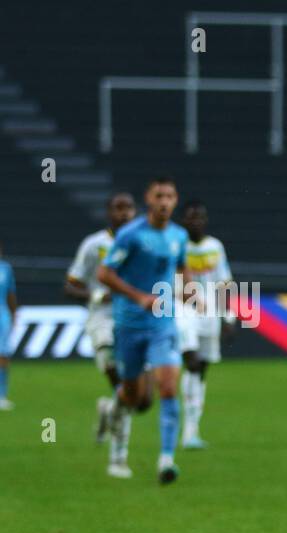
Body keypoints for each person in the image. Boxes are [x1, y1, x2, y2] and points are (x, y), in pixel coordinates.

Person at [97, 175, 191, 482]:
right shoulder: (130, 235)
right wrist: (138, 297)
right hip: (130, 325)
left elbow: (179, 266)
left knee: (167, 385)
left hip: (163, 322)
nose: (164, 202)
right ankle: (115, 423)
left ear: (175, 201)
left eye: (170, 196)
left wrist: (189, 290)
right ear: (148, 200)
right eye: (159, 196)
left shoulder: (178, 235)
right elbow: (104, 274)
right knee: (135, 397)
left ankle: (166, 460)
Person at [67, 192, 137, 440]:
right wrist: (97, 296)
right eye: (118, 208)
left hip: (134, 317)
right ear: (109, 213)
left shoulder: (143, 242)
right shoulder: (94, 245)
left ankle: (109, 408)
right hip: (102, 316)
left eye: (128, 207)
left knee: (135, 390)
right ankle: (119, 451)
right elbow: (71, 285)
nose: (124, 213)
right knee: (108, 351)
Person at [176, 200, 235, 450]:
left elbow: (224, 283)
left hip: (210, 310)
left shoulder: (215, 247)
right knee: (190, 361)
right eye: (191, 217)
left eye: (199, 217)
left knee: (201, 369)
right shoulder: (177, 244)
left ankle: (192, 428)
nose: (196, 221)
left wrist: (228, 316)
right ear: (184, 220)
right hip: (182, 307)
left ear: (205, 220)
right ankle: (187, 431)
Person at [0, 243, 16, 411]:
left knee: (3, 355)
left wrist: (13, 315)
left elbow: (11, 294)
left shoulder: (5, 269)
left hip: (1, 315)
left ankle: (1, 395)